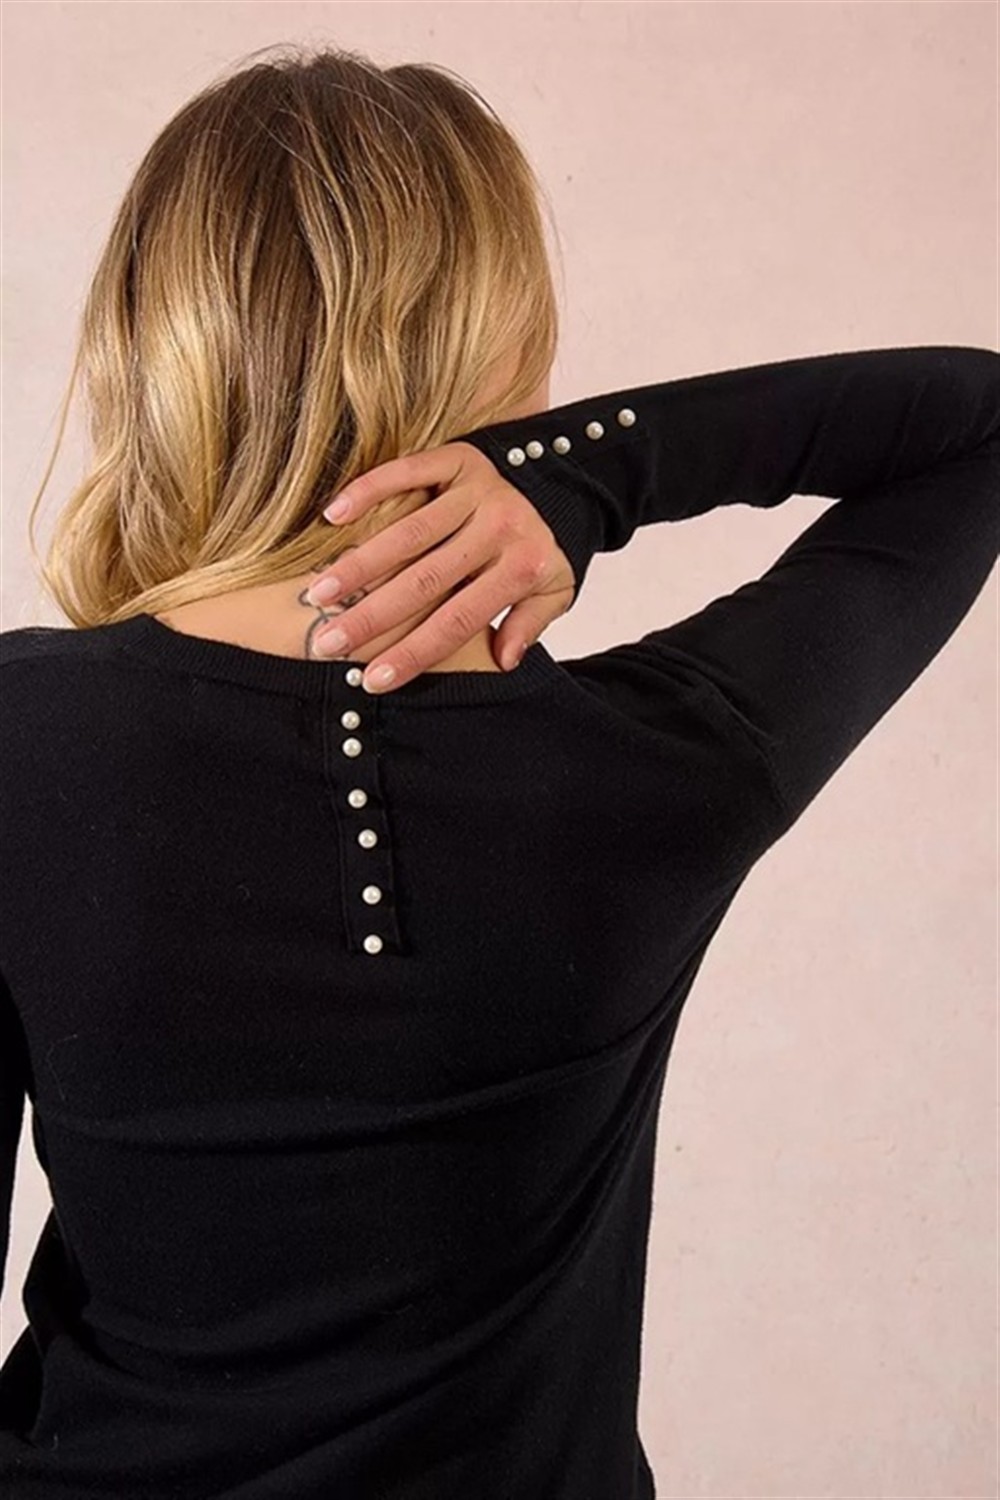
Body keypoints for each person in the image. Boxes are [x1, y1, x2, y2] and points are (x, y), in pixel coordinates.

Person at [1, 41, 997, 1500]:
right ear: (507, 352)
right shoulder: (657, 764)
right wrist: (585, 471)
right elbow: (976, 424)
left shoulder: (20, 744)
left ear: (154, 338)